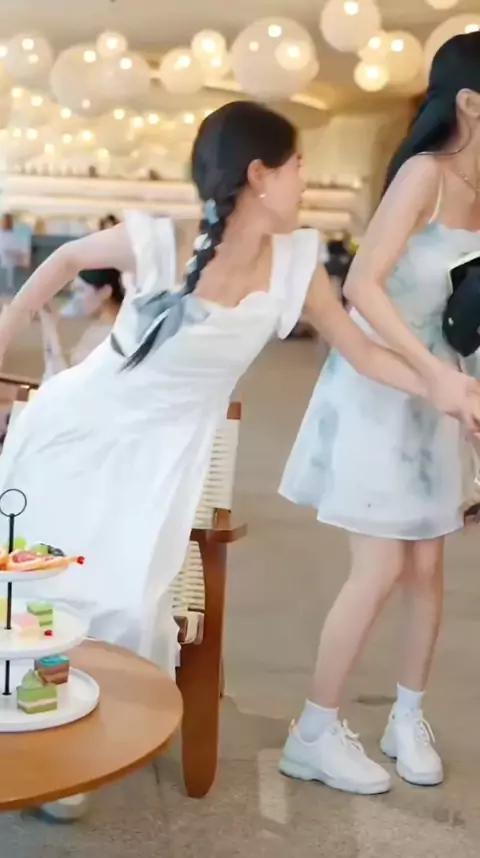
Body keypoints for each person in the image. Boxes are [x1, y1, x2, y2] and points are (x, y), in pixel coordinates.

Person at [0, 99, 478, 680]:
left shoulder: (296, 265)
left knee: (124, 607)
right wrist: (7, 331)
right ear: (259, 175)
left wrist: (442, 387)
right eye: (297, 165)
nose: (305, 179)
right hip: (75, 434)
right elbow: (69, 258)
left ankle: (86, 716)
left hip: (167, 460)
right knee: (38, 590)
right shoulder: (162, 241)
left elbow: (364, 354)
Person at [279, 31, 480, 796]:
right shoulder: (424, 175)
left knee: (428, 565)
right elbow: (362, 286)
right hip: (378, 388)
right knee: (382, 566)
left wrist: (459, 391)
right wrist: (432, 377)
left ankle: (407, 717)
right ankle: (313, 731)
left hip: (440, 395)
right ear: (470, 103)